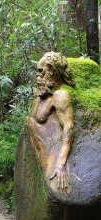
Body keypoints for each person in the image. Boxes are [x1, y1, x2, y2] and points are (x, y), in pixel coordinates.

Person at [26, 52, 75, 189]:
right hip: (39, 155)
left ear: (52, 71)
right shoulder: (42, 94)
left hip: (51, 153)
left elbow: (68, 127)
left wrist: (61, 162)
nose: (38, 75)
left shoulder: (60, 96)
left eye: (41, 71)